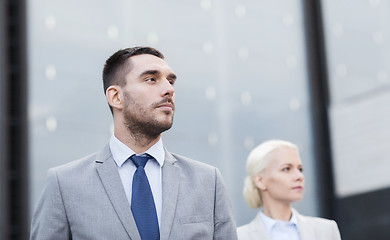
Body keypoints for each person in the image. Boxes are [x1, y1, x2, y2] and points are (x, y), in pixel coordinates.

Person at [30, 46, 238, 240]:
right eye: (151, 79)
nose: (168, 89)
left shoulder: (208, 182)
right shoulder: (64, 185)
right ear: (116, 97)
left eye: (171, 81)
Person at [237, 140, 341, 240]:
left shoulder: (326, 230)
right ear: (260, 181)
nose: (299, 176)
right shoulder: (238, 237)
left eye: (300, 169)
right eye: (286, 169)